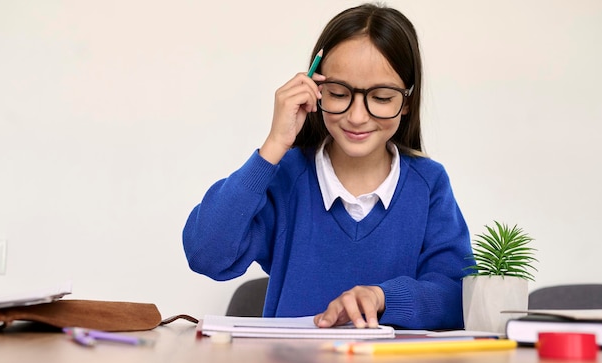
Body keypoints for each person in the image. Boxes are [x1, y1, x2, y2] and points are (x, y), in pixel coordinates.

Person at [183, 3, 474, 330]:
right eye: (338, 93)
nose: (357, 116)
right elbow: (206, 253)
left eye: (380, 98)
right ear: (315, 88)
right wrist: (274, 146)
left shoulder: (429, 183)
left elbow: (457, 296)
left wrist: (383, 298)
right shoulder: (287, 177)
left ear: (406, 101)